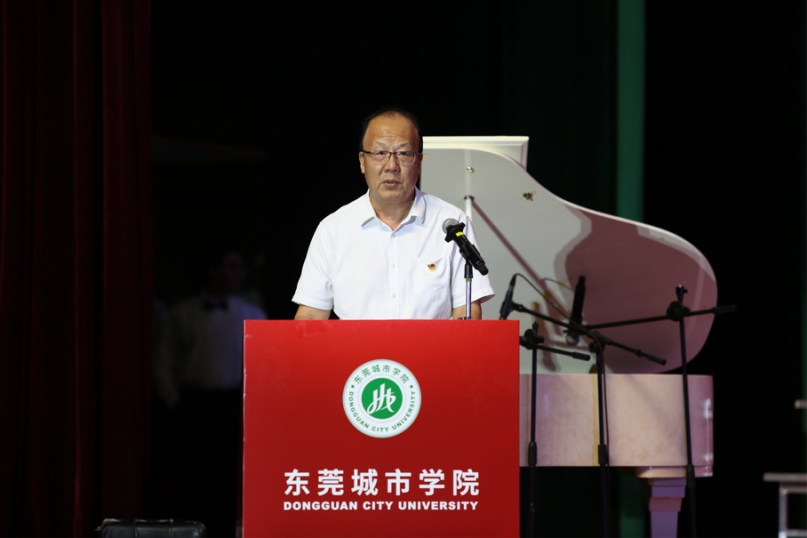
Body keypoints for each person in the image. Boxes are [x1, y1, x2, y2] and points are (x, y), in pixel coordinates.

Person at [292, 108, 494, 320]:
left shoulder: (452, 223)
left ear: (419, 162)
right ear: (362, 161)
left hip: (431, 344)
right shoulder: (333, 229)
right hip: (357, 344)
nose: (391, 166)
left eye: (403, 154)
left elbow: (467, 309)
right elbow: (311, 315)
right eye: (380, 153)